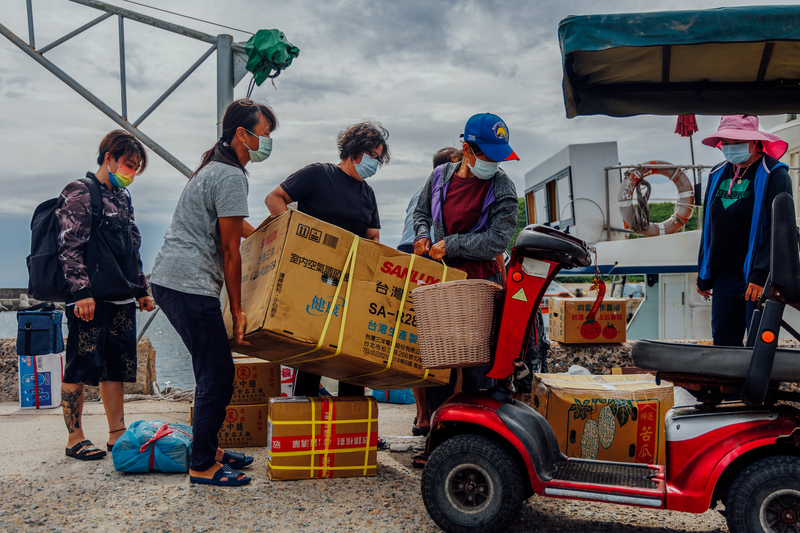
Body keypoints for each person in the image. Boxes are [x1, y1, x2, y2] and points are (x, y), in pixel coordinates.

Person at [150, 99, 278, 486]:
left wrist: (261, 236)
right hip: (188, 284)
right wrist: (237, 310)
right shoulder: (230, 175)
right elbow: (228, 251)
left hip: (171, 279)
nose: (267, 142)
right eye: (265, 135)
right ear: (243, 133)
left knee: (211, 370)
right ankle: (202, 464)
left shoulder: (214, 168)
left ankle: (209, 447)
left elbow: (233, 225)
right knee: (218, 374)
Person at [265, 121, 390, 399]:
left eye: (379, 159)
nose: (375, 163)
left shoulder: (367, 193)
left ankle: (351, 424)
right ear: (354, 150)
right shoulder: (318, 174)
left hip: (350, 287)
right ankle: (302, 424)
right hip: (312, 283)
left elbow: (373, 239)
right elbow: (274, 198)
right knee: (312, 356)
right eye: (372, 155)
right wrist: (294, 238)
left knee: (352, 356)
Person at [413, 113, 519, 420]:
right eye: (486, 155)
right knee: (439, 360)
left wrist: (452, 244)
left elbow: (497, 241)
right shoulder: (439, 177)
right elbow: (421, 212)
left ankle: (474, 431)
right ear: (467, 149)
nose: (492, 163)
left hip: (480, 286)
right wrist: (422, 234)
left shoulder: (502, 187)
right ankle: (436, 429)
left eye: (498, 157)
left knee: (477, 366)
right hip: (442, 283)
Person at [58, 130, 154, 461]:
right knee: (80, 367)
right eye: (128, 163)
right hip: (90, 300)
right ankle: (75, 438)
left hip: (121, 297)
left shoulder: (123, 199)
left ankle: (117, 434)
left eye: (136, 167)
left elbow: (132, 246)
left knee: (116, 368)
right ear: (109, 157)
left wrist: (142, 288)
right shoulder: (80, 192)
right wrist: (80, 292)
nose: (131, 171)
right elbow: (69, 246)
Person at [697, 115, 791, 346]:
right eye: (725, 144)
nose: (730, 148)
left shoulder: (775, 174)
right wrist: (703, 274)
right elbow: (709, 226)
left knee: (759, 342)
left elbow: (779, 229)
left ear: (754, 142)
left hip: (757, 275)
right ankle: (728, 384)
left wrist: (760, 275)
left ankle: (763, 384)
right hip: (724, 274)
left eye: (736, 142)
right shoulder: (717, 173)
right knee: (723, 340)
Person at [398, 147, 462, 436]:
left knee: (417, 343)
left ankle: (423, 416)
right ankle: (447, 415)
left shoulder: (417, 193)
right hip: (432, 265)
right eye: (460, 163)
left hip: (406, 266)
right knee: (454, 345)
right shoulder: (445, 190)